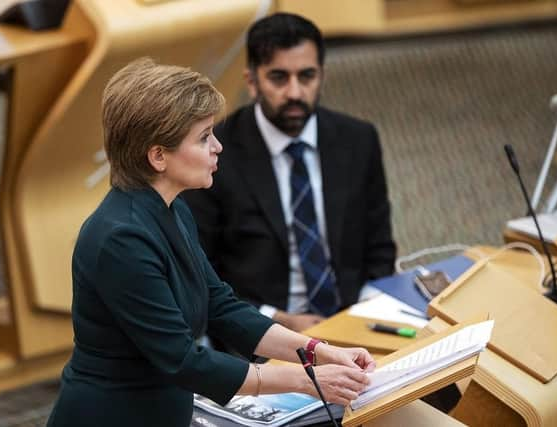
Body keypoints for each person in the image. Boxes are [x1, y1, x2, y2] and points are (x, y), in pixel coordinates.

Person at [47, 58, 375, 427]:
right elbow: (182, 360)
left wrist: (316, 352)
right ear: (157, 155)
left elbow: (221, 306)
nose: (218, 147)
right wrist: (305, 380)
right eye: (204, 137)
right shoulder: (121, 240)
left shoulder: (172, 210)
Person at [184, 13, 396, 332]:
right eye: (279, 78)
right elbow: (200, 274)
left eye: (307, 76)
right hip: (260, 329)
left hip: (354, 320)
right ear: (252, 82)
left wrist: (367, 311)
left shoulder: (358, 139)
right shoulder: (213, 153)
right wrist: (275, 320)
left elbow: (379, 247)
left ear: (321, 75)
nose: (295, 93)